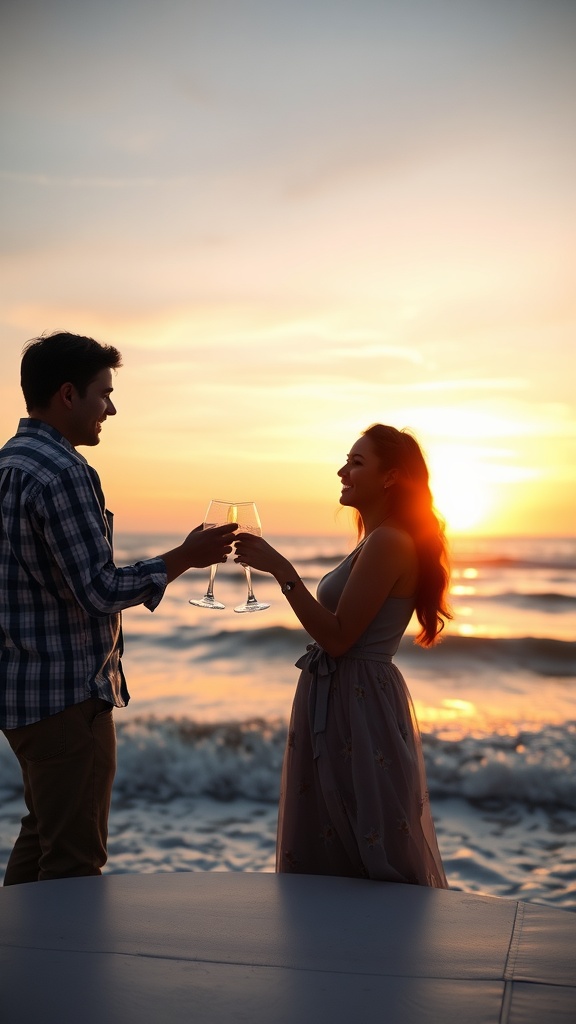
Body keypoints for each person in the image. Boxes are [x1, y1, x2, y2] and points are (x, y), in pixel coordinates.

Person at [0, 331, 237, 885]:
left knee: (42, 836)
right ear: (67, 395)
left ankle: (15, 957)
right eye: (103, 393)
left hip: (20, 691)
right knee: (75, 863)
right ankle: (60, 970)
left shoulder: (9, 462)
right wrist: (186, 556)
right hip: (66, 697)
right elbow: (100, 589)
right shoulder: (65, 473)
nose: (111, 407)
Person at [234, 424, 451, 886]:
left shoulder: (391, 541)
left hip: (358, 699)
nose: (342, 471)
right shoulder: (376, 540)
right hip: (344, 694)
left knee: (364, 841)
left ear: (391, 477)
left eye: (356, 462)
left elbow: (337, 638)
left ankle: (373, 949)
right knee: (336, 833)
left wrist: (281, 569)